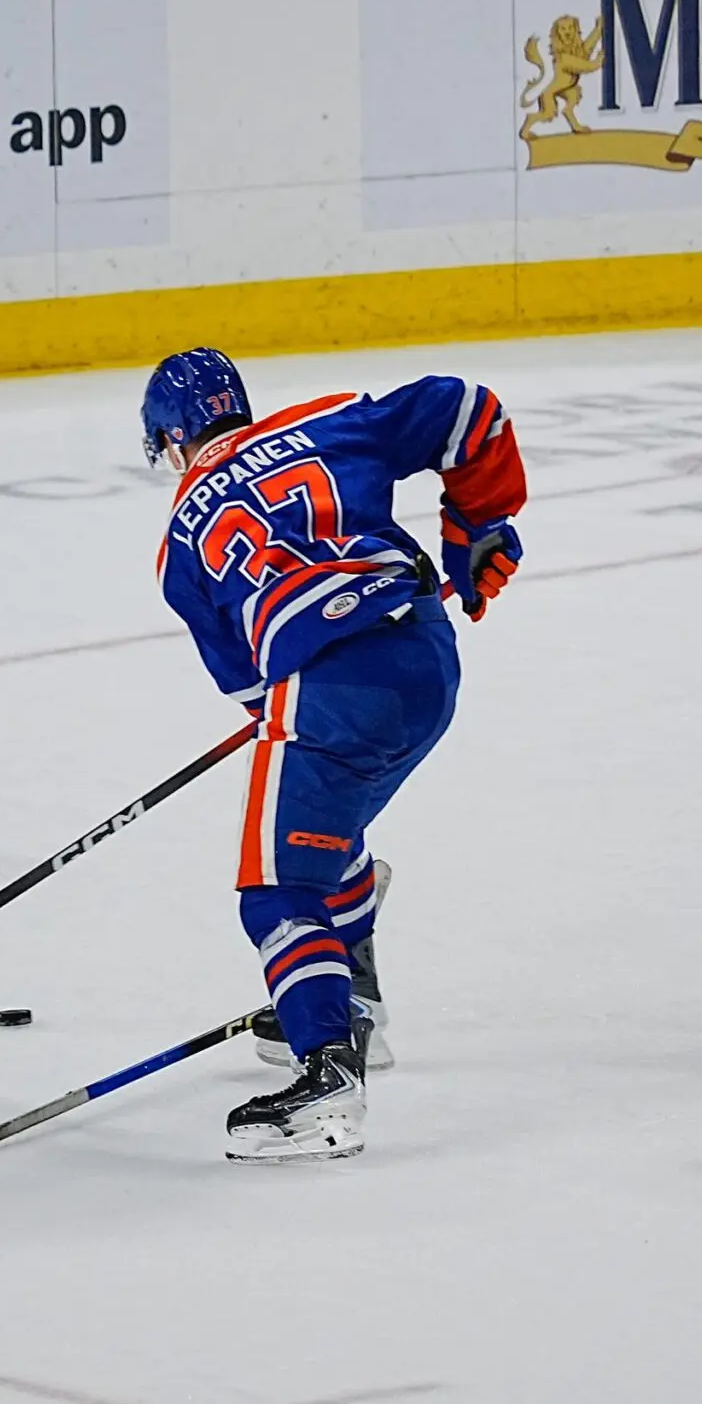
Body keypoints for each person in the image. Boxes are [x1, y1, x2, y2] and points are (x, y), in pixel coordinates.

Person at [143, 348, 524, 1161]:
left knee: (279, 888)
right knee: (325, 834)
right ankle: (357, 1006)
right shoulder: (326, 418)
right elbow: (470, 410)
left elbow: (254, 692)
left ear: (172, 443)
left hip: (330, 690)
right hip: (427, 656)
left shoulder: (179, 543)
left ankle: (327, 1077)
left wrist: (299, 706)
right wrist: (478, 523)